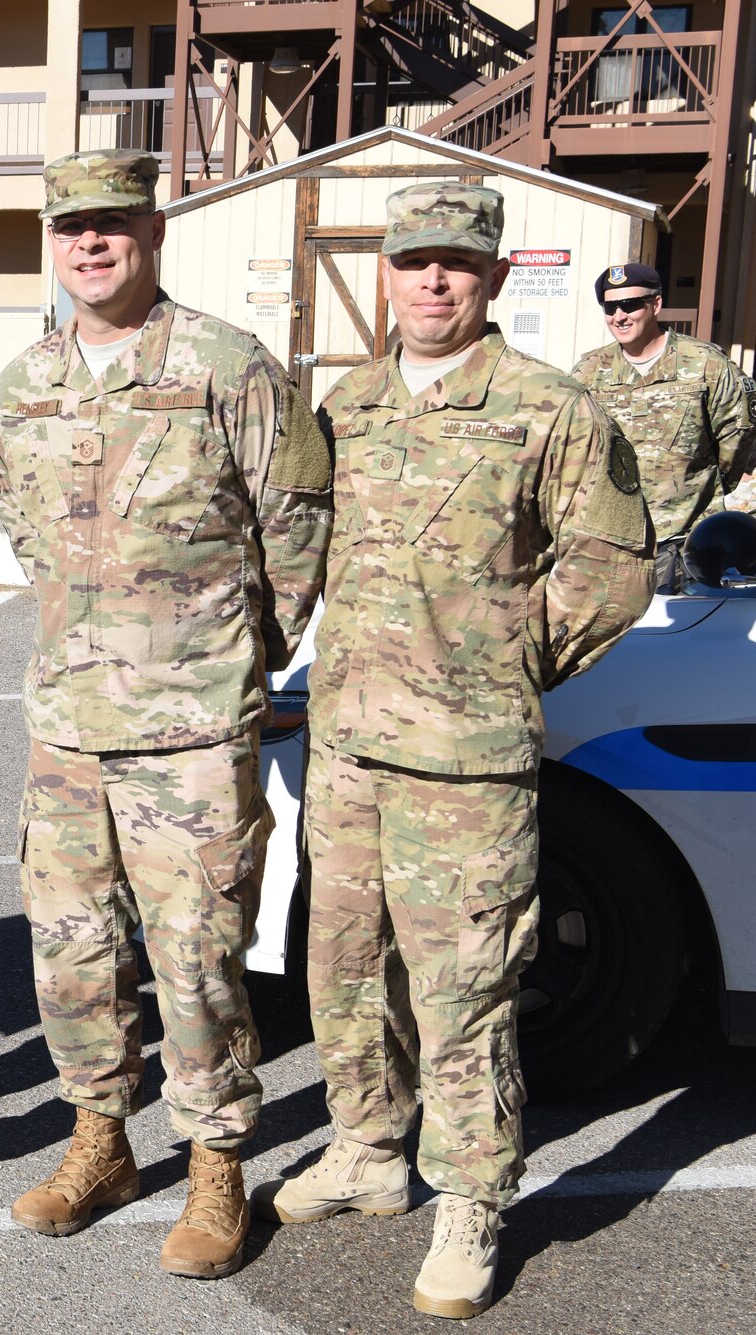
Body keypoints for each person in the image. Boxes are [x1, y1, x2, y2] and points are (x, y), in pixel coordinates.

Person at [257, 184, 653, 1319]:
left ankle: (472, 1198)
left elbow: (610, 562)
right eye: (413, 261)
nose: (433, 281)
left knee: (462, 986)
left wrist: (504, 661)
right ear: (383, 271)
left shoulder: (546, 405)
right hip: (347, 750)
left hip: (464, 763)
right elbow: (299, 548)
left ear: (489, 279)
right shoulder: (352, 404)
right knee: (339, 965)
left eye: (457, 265)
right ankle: (366, 1148)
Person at [0, 149, 332, 1279]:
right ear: (52, 241)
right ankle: (98, 1142)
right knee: (71, 956)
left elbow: (295, 525)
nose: (90, 244)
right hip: (67, 727)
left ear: (153, 231)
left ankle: (215, 1164)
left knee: (197, 959)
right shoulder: (22, 382)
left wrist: (237, 661)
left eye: (112, 225)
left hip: (189, 733)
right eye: (71, 227)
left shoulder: (229, 366)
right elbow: (21, 525)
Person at [569, 262, 752, 587]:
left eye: (630, 304)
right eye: (610, 307)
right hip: (612, 545)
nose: (619, 316)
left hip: (690, 545)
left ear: (655, 304)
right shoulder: (589, 372)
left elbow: (738, 446)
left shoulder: (706, 366)